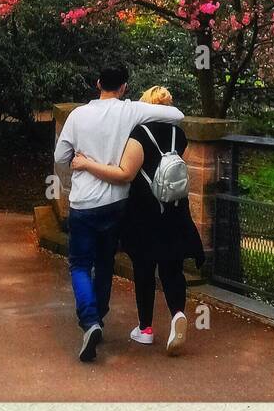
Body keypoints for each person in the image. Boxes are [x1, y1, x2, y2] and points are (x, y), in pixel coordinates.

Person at [53, 66, 185, 362]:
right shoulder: (131, 111)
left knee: (79, 265)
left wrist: (80, 161)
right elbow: (176, 116)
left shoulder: (77, 116)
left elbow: (60, 157)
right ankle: (98, 316)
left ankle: (90, 321)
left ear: (98, 83)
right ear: (124, 87)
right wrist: (147, 110)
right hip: (115, 204)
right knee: (104, 263)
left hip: (84, 203)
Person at [71, 86, 205, 357]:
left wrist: (86, 164)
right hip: (175, 210)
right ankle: (178, 313)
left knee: (144, 269)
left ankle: (145, 329)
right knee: (172, 268)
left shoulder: (140, 134)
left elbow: (125, 173)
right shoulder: (179, 135)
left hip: (145, 212)